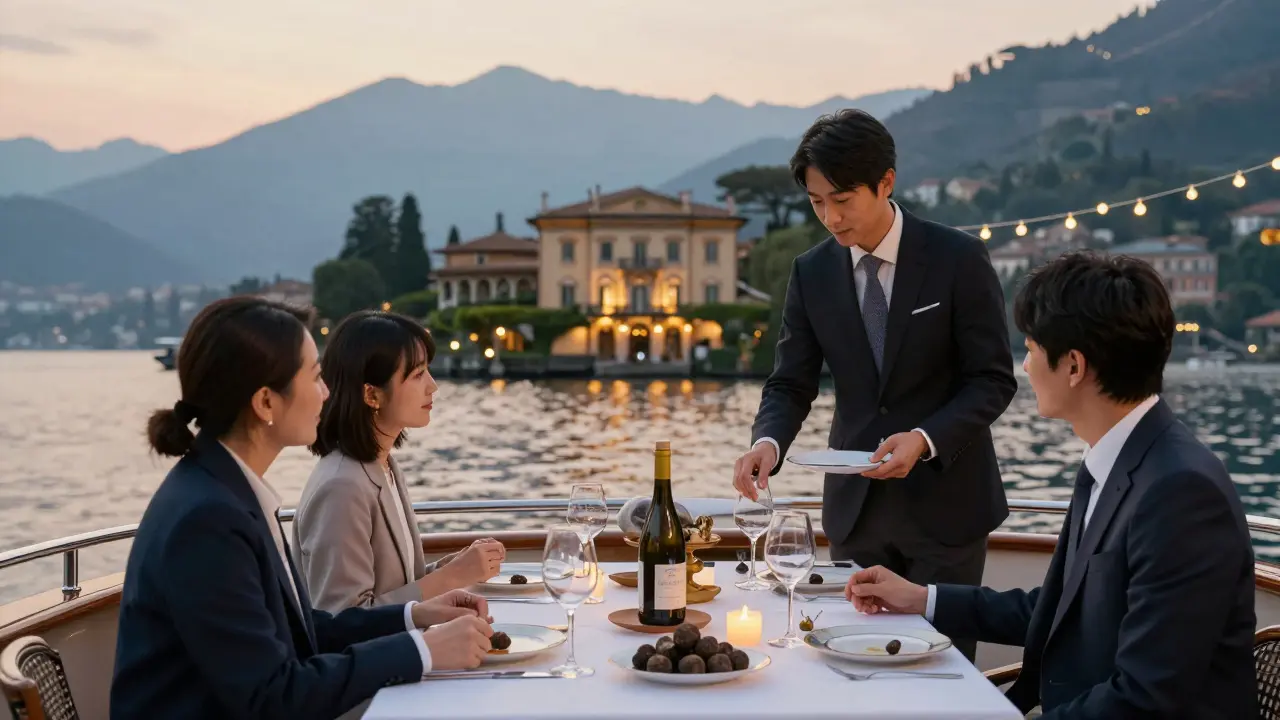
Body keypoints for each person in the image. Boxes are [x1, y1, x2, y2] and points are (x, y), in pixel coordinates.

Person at [846, 251, 1256, 718]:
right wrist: (922, 599)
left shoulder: (1181, 493)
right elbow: (1063, 610)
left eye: (1032, 349)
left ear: (1074, 367)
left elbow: (1146, 698)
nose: (1025, 366)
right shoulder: (1115, 460)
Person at [111, 297, 494, 720]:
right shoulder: (207, 520)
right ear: (266, 403)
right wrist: (421, 649)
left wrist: (413, 616)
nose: (327, 391)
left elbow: (306, 630)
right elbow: (272, 698)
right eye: (314, 377)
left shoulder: (223, 490)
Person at [732, 109, 1017, 659]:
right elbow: (790, 382)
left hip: (949, 511)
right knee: (848, 667)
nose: (830, 218)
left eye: (842, 200)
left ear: (886, 182)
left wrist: (925, 438)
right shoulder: (810, 273)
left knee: (940, 676)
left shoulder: (958, 258)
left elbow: (992, 380)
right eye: (817, 203)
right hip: (855, 517)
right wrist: (766, 443)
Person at [293, 310, 506, 613]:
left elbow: (395, 589)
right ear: (372, 395)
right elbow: (342, 621)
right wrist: (452, 576)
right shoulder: (342, 486)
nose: (433, 386)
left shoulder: (383, 465)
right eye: (418, 375)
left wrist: (449, 569)